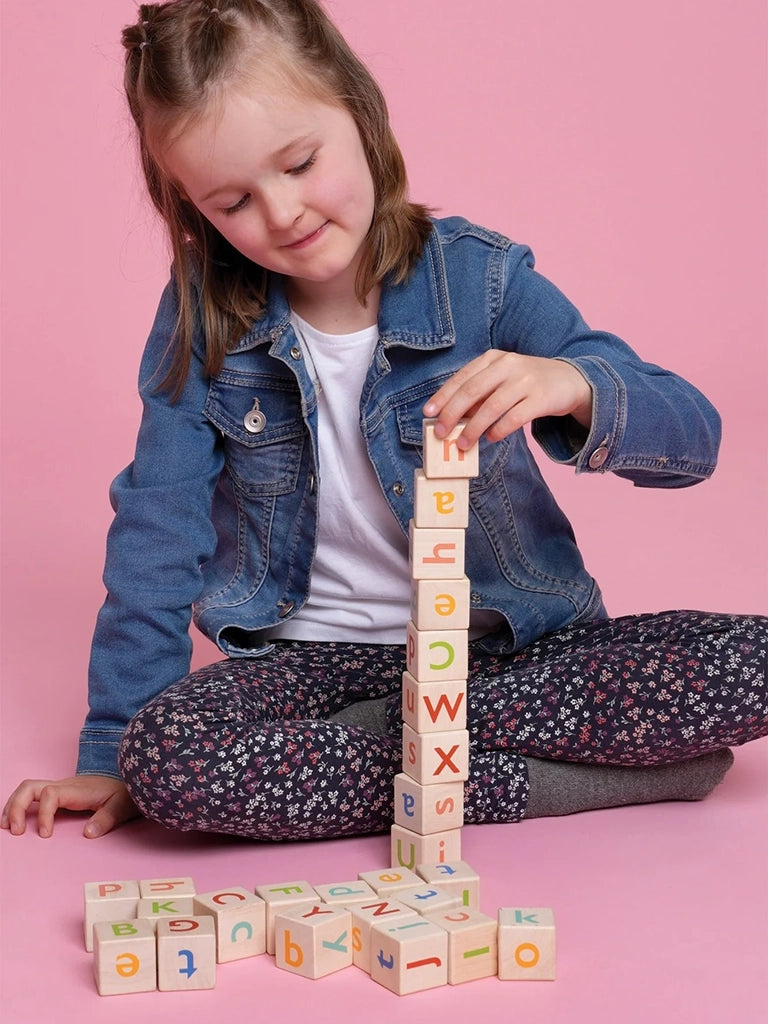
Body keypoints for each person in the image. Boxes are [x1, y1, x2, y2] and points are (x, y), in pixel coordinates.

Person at [2, 0, 766, 842]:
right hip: (309, 670)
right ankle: (564, 779)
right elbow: (156, 527)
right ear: (191, 208)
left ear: (358, 112)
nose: (282, 213)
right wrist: (112, 753)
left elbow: (696, 439)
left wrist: (576, 386)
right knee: (169, 762)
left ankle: (381, 750)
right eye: (232, 203)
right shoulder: (201, 315)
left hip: (505, 656)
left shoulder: (483, 280)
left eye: (298, 163)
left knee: (750, 661)